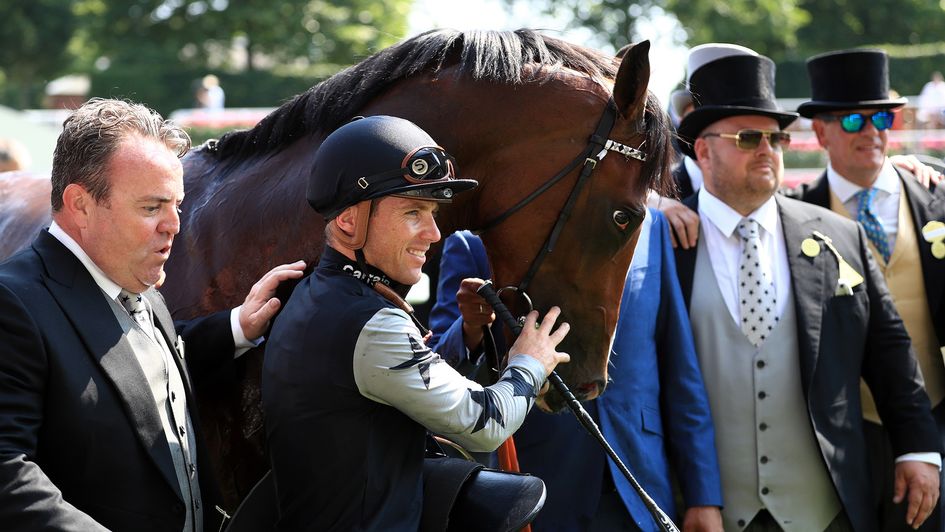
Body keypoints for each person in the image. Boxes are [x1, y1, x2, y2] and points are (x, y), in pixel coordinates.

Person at [0, 97, 306, 531]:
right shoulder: (12, 303)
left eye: (176, 205)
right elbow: (7, 474)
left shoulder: (135, 280)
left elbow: (137, 371)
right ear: (80, 204)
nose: (174, 225)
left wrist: (238, 326)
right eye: (151, 207)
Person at [673, 49, 941, 531]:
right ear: (704, 150)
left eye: (776, 137)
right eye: (748, 137)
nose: (767, 149)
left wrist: (918, 446)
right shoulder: (666, 243)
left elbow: (890, 354)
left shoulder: (837, 234)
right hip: (706, 511)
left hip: (824, 508)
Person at [261, 115, 571, 530]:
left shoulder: (322, 293)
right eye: (413, 211)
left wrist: (469, 333)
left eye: (433, 212)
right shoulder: (368, 320)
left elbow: (388, 390)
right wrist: (530, 362)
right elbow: (484, 423)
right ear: (349, 221)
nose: (434, 233)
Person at [429, 210, 724, 531]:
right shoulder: (475, 240)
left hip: (640, 486)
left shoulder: (651, 225)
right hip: (538, 486)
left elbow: (678, 366)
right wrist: (471, 327)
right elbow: (440, 371)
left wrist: (703, 495)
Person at [794, 48, 945, 531]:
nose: (874, 130)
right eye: (855, 119)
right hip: (840, 429)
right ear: (821, 132)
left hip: (935, 418)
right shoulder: (794, 214)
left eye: (883, 116)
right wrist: (672, 208)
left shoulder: (934, 195)